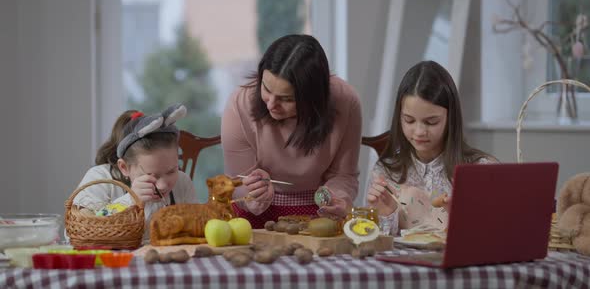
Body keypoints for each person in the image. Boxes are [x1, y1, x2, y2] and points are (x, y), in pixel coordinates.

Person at [221, 34, 362, 228]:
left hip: (320, 215)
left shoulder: (346, 101)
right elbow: (236, 182)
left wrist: (337, 200)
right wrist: (252, 194)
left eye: (286, 99)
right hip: (251, 218)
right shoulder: (240, 103)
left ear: (314, 98)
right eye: (266, 88)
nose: (271, 104)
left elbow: (344, 175)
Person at [366, 61, 497, 236]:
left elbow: (497, 233)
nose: (419, 132)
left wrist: (463, 218)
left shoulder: (481, 169)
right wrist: (385, 214)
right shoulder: (386, 171)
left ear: (450, 119)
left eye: (431, 122)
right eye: (409, 120)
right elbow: (373, 238)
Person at [72, 104, 198, 237]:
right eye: (151, 175)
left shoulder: (182, 182)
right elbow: (77, 233)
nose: (162, 185)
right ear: (124, 167)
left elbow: (196, 228)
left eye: (172, 171)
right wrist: (131, 200)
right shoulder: (100, 179)